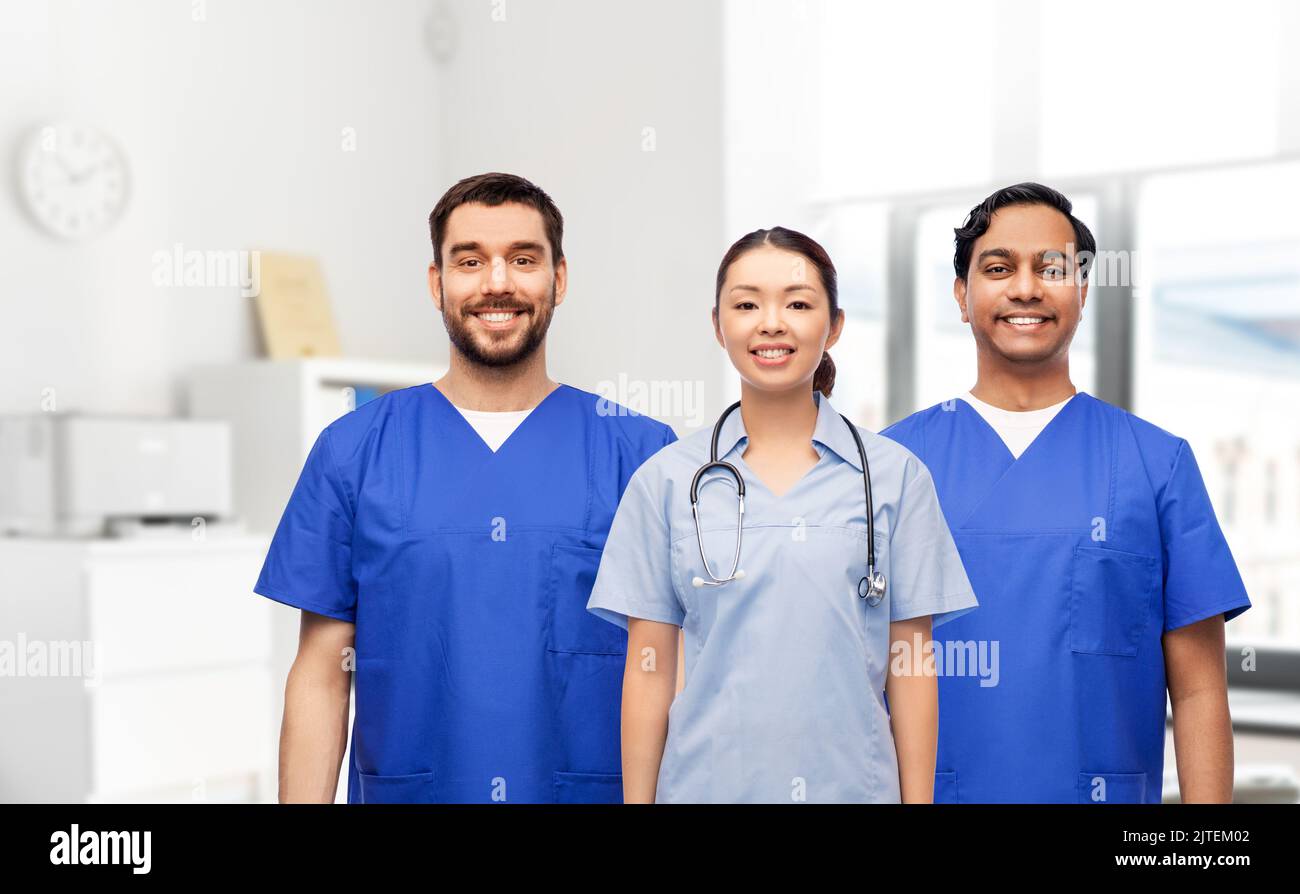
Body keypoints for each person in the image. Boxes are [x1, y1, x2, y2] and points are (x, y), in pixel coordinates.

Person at [253, 172, 676, 803]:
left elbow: (673, 671)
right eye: (470, 261)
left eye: (523, 260)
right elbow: (321, 674)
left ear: (559, 279)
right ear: (437, 283)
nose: (497, 283)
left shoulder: (640, 453)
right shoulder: (354, 451)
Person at [881, 182, 1252, 803]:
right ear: (961, 294)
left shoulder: (1156, 464)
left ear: (1081, 291)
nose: (1026, 288)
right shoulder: (892, 465)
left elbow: (1198, 691)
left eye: (1052, 269)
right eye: (998, 268)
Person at [586, 226, 978, 803]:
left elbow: (912, 668)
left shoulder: (896, 478)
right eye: (746, 304)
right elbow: (649, 671)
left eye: (797, 303)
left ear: (835, 325)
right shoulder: (667, 481)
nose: (771, 322)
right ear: (718, 326)